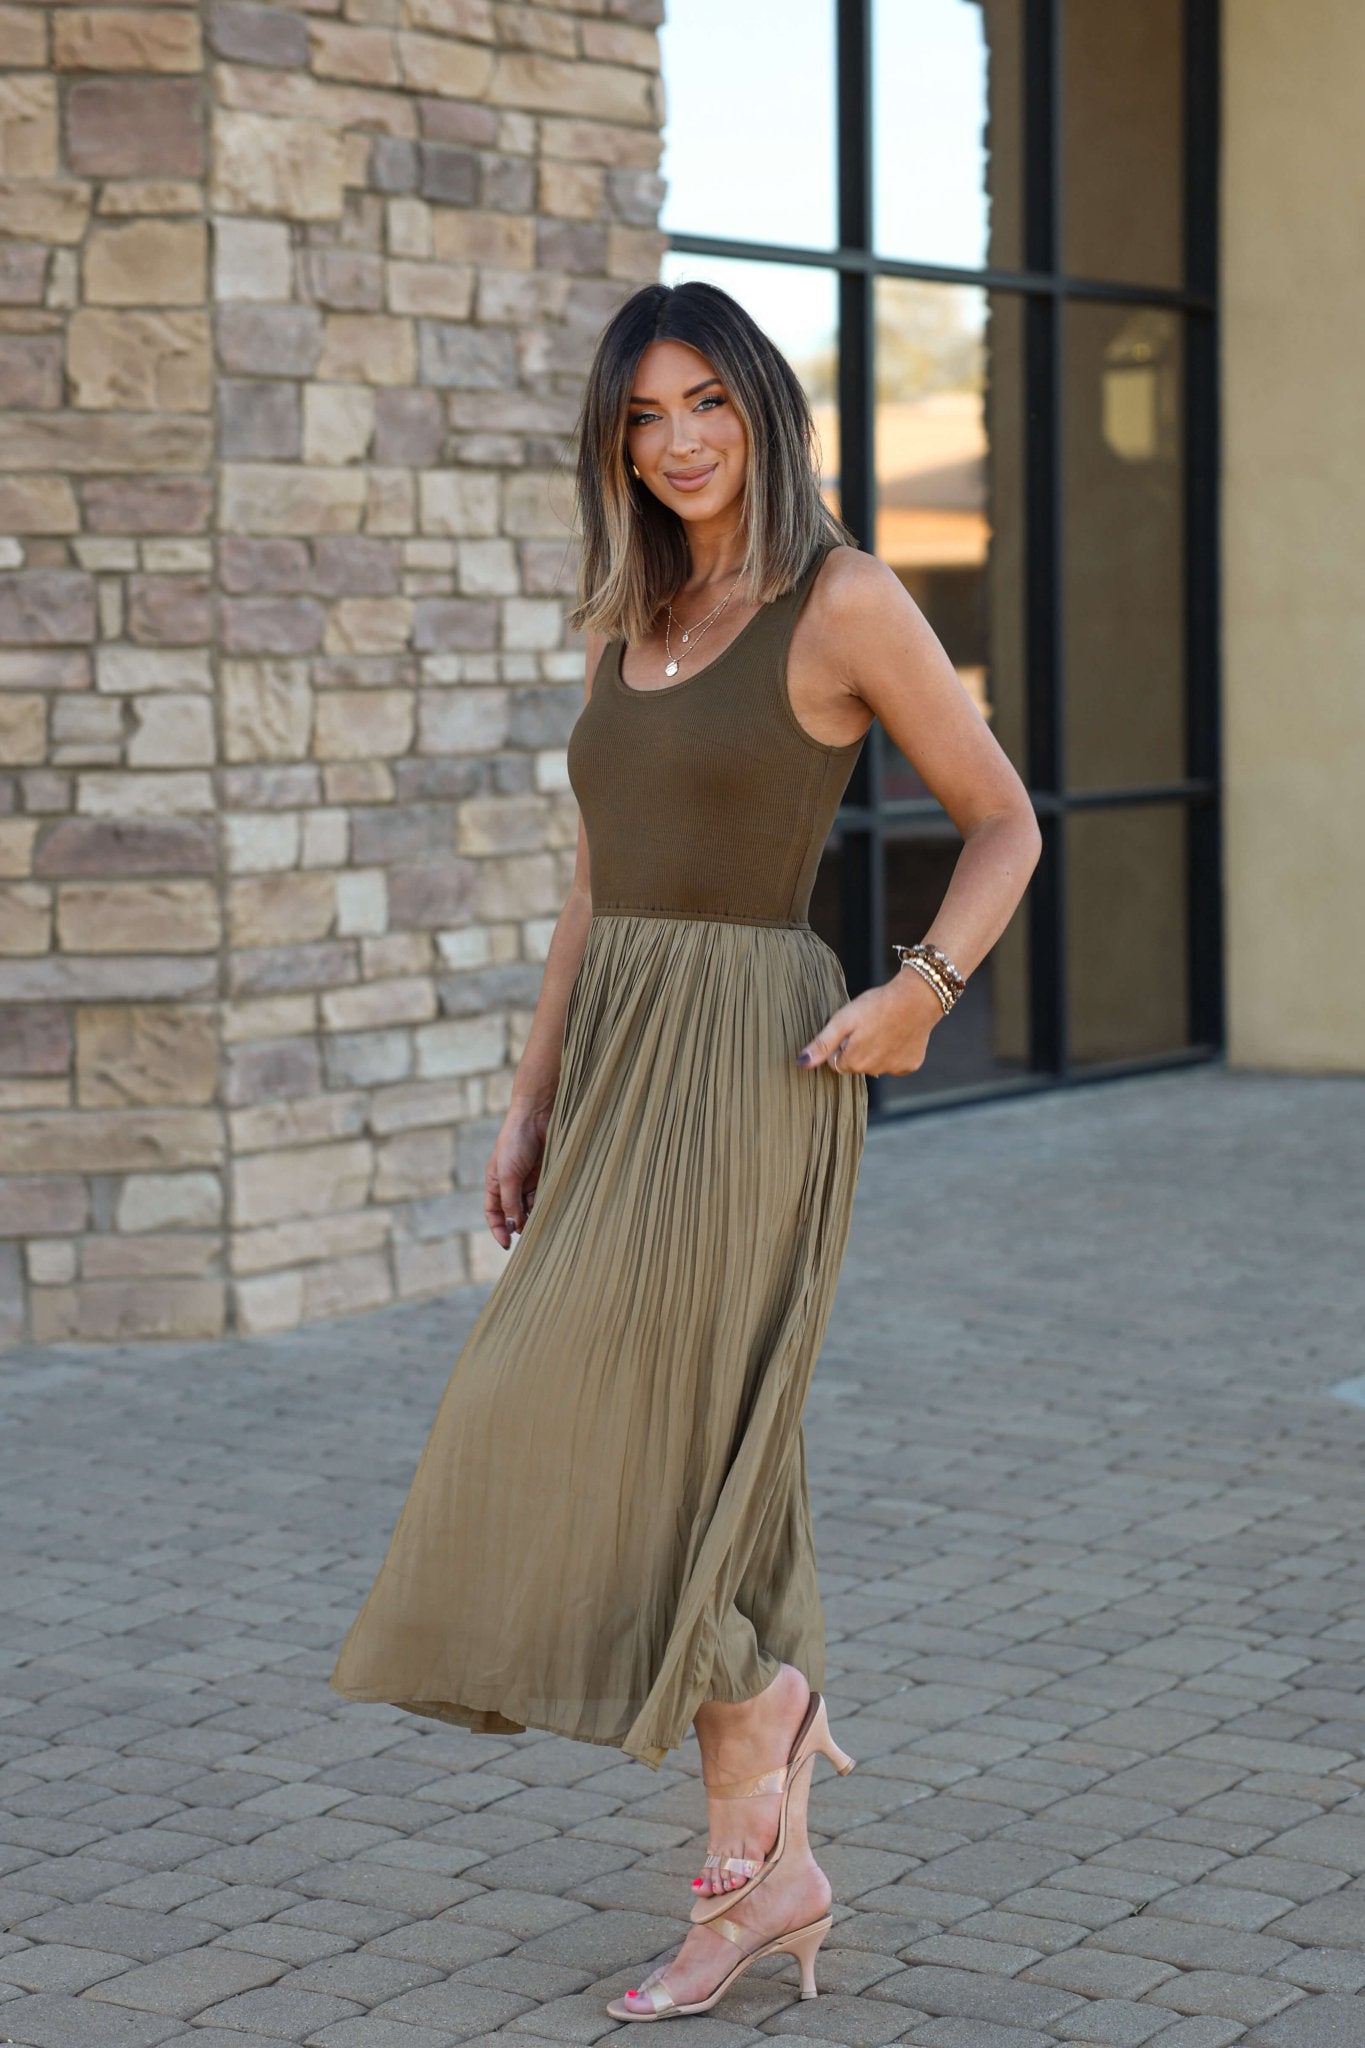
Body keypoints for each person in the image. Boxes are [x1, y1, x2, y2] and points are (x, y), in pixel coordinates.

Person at [329, 279, 1041, 2022]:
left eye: (704, 403)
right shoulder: (634, 616)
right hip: (619, 1056)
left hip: (746, 1063)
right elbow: (591, 887)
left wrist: (923, 990)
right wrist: (528, 1099)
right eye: (642, 417)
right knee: (712, 1452)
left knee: (620, 1430)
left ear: (762, 409)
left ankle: (761, 1746)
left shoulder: (841, 598)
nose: (676, 443)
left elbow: (1002, 821)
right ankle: (760, 1856)